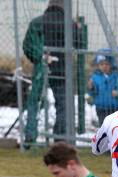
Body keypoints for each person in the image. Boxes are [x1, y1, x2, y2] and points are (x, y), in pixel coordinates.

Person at [22, 0, 80, 145]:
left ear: (49, 4)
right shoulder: (70, 24)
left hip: (42, 69)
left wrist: (39, 57)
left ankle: (30, 136)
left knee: (34, 102)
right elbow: (79, 44)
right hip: (62, 70)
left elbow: (27, 45)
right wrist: (78, 29)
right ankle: (60, 139)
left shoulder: (36, 22)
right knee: (63, 104)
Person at [88, 55, 118, 126]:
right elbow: (92, 92)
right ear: (98, 66)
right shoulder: (95, 77)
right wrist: (90, 87)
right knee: (103, 126)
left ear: (111, 65)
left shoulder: (117, 76)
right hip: (101, 108)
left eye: (107, 64)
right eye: (101, 64)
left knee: (113, 126)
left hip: (114, 107)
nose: (104, 66)